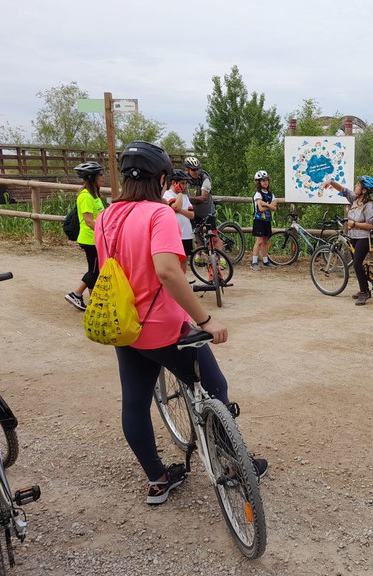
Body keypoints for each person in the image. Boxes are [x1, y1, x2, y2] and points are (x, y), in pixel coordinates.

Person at [94, 141, 267, 506]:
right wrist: (205, 319)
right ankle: (235, 465)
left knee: (135, 403)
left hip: (124, 324)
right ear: (161, 179)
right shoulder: (159, 214)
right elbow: (168, 272)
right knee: (215, 385)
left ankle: (157, 480)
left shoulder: (106, 216)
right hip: (163, 327)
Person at [320, 176, 373, 305]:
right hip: (353, 237)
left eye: (358, 185)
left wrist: (354, 224)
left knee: (357, 264)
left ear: (364, 190)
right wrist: (330, 182)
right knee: (358, 265)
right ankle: (364, 289)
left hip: (364, 238)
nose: (355, 187)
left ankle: (364, 292)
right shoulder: (354, 199)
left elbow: (371, 225)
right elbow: (343, 189)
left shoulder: (368, 206)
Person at [65, 161, 106, 311]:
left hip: (94, 238)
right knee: (94, 271)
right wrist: (105, 233)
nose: (103, 177)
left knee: (95, 270)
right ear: (92, 177)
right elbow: (89, 221)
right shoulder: (86, 196)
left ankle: (93, 301)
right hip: (90, 239)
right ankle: (76, 294)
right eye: (100, 175)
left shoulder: (94, 194)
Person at [162, 169, 195, 257]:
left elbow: (192, 215)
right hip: (174, 234)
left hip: (186, 234)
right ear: (174, 183)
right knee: (175, 258)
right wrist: (179, 193)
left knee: (185, 259)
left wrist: (179, 211)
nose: (185, 186)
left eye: (185, 183)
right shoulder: (167, 195)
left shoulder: (185, 197)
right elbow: (177, 206)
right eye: (182, 183)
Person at [250, 170, 279, 270]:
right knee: (259, 240)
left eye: (266, 180)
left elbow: (274, 207)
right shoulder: (258, 194)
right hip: (259, 220)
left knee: (265, 241)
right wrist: (269, 205)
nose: (265, 182)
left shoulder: (271, 194)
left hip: (267, 220)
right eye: (263, 180)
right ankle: (254, 262)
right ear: (258, 182)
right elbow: (260, 208)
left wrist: (265, 204)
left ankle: (265, 260)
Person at [183, 156, 213, 226]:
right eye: (193, 170)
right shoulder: (184, 179)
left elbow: (203, 198)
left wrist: (185, 198)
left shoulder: (205, 178)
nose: (196, 172)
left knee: (211, 232)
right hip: (192, 212)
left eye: (198, 169)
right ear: (187, 169)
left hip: (206, 212)